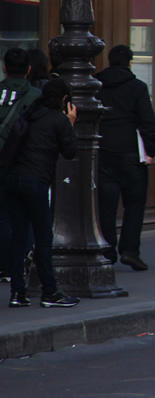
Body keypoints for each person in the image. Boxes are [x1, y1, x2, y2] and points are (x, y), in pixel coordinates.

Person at [5, 79, 80, 307]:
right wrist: (71, 123)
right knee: (43, 236)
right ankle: (50, 291)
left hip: (12, 178)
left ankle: (18, 293)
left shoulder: (30, 113)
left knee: (19, 236)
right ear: (64, 100)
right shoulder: (59, 119)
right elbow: (70, 151)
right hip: (36, 181)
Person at [95, 45, 155, 271]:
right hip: (131, 153)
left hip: (102, 151)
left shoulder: (96, 86)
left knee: (105, 206)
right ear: (130, 62)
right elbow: (147, 121)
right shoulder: (137, 87)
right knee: (134, 203)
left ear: (110, 61)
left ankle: (107, 251)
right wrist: (152, 150)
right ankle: (130, 250)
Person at [0, 48, 42, 284]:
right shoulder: (35, 95)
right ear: (28, 70)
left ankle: (3, 264)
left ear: (4, 68)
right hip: (21, 160)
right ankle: (18, 260)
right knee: (23, 215)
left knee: (3, 215)